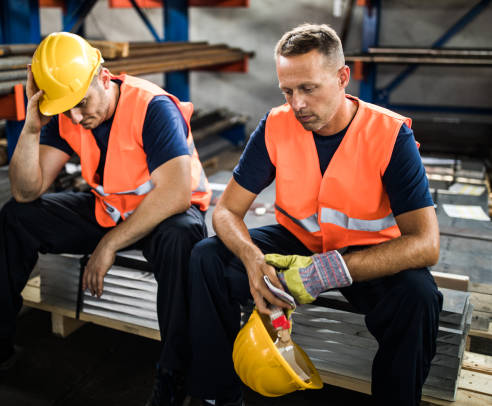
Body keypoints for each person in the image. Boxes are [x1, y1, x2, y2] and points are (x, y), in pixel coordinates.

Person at [0, 32, 211, 405]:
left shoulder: (151, 107)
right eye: (67, 110)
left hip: (167, 213)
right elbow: (26, 192)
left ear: (103, 76)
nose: (77, 118)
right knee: (17, 218)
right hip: (109, 209)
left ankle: (175, 372)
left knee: (180, 238)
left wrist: (108, 245)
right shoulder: (68, 116)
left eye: (82, 103)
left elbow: (175, 193)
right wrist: (31, 127)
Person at [187, 24, 442, 406]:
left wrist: (326, 273)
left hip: (366, 256)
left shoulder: (389, 135)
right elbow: (226, 211)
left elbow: (426, 244)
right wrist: (254, 261)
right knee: (207, 256)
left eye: (308, 88)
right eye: (287, 91)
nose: (297, 104)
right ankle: (217, 394)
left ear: (342, 78)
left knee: (419, 298)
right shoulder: (276, 125)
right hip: (299, 244)